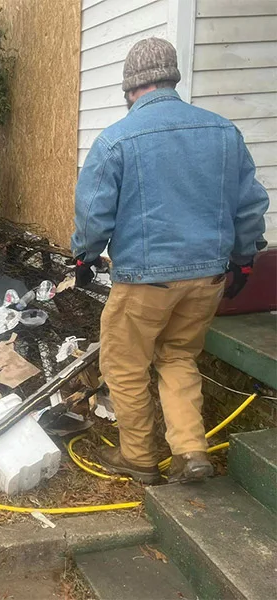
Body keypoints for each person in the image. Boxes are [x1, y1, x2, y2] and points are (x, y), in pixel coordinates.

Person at [71, 38, 269, 484]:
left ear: (130, 87)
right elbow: (251, 207)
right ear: (172, 78)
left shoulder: (118, 138)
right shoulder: (223, 132)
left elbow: (93, 213)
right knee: (178, 356)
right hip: (208, 277)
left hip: (145, 281)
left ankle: (139, 457)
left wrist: (84, 257)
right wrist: (243, 261)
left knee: (125, 364)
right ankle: (190, 451)